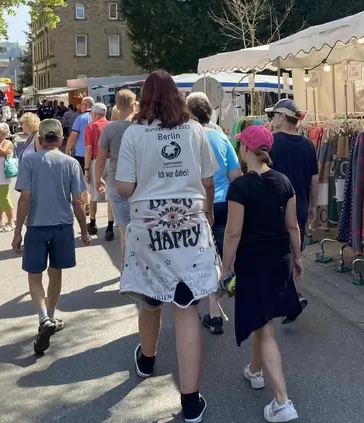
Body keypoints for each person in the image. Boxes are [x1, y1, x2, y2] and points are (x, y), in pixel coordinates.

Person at [116, 70, 218, 423]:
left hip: (149, 226)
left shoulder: (134, 133)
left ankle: (147, 359)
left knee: (150, 299)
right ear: (177, 96)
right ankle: (190, 401)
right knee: (186, 305)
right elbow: (207, 180)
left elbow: (125, 189)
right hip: (189, 223)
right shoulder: (195, 130)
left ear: (144, 98)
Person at [222, 125, 302, 423]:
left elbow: (233, 232)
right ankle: (255, 371)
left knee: (265, 329)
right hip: (278, 258)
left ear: (245, 150)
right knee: (263, 318)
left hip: (252, 260)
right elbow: (293, 226)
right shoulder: (284, 182)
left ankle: (282, 402)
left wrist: (225, 266)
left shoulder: (240, 187)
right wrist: (297, 257)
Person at [13, 119, 91, 354]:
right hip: (62, 225)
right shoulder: (70, 163)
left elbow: (25, 197)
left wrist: (17, 230)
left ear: (39, 139)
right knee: (55, 272)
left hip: (36, 225)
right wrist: (85, 231)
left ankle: (43, 317)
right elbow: (78, 201)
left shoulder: (29, 160)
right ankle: (52, 316)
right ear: (59, 139)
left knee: (34, 276)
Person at [186, 92, 242, 335]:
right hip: (225, 202)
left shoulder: (188, 138)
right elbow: (235, 175)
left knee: (204, 258)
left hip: (198, 204)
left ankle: (213, 312)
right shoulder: (221, 137)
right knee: (224, 253)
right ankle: (232, 299)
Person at [266, 98, 315, 324]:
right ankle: (294, 296)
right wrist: (314, 206)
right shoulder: (308, 144)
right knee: (296, 250)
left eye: (273, 115)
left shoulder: (272, 143)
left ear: (283, 117)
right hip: (301, 204)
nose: (272, 119)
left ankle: (291, 298)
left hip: (277, 204)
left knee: (278, 252)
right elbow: (314, 179)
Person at [96, 89, 136, 252]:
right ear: (134, 105)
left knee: (124, 227)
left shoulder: (109, 129)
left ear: (117, 106)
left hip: (116, 179)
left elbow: (100, 160)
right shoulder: (141, 127)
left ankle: (125, 265)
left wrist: (98, 178)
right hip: (139, 181)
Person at [85, 102, 111, 237]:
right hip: (111, 162)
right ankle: (110, 227)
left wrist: (86, 168)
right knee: (110, 196)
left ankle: (93, 223)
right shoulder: (111, 125)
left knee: (94, 194)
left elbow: (88, 149)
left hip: (96, 161)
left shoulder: (91, 127)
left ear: (95, 113)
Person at [66, 97, 94, 211]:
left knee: (82, 180)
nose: (80, 106)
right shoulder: (98, 117)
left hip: (81, 153)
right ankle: (92, 204)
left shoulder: (80, 118)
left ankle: (86, 204)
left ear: (86, 106)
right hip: (96, 153)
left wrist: (67, 149)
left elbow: (73, 136)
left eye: (81, 104)